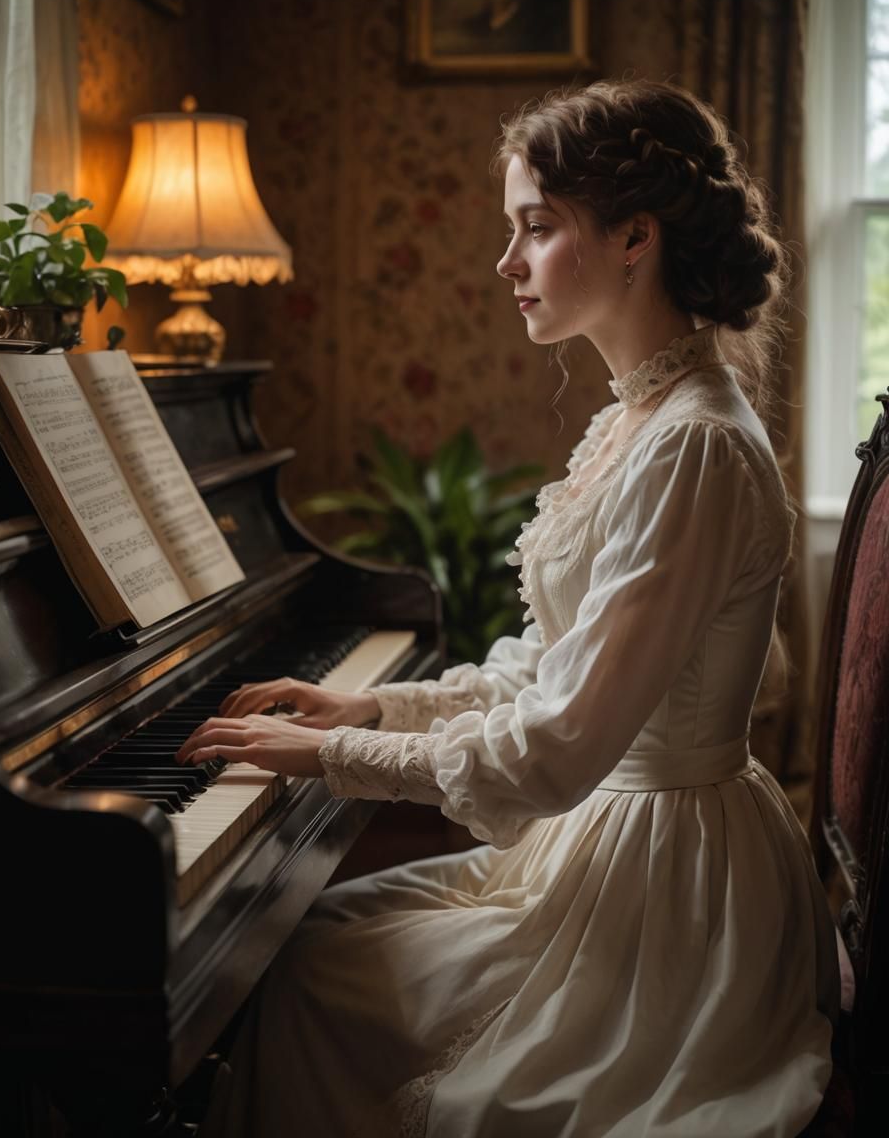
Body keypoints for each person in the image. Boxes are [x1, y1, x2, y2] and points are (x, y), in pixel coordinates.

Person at [180, 79, 840, 1138]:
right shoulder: (641, 420)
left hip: (668, 889)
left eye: (535, 229)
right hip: (603, 836)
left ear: (634, 238)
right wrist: (370, 713)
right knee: (315, 938)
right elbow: (549, 669)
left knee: (306, 974)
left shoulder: (695, 445)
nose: (505, 263)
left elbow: (559, 749)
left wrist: (325, 760)